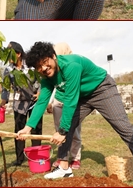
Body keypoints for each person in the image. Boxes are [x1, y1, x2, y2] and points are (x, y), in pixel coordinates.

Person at [16, 42, 133, 187]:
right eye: (39, 67)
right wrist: (28, 127)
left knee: (123, 126)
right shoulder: (46, 76)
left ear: (53, 56)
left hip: (102, 89)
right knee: (66, 125)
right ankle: (64, 168)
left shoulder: (71, 66)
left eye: (45, 61)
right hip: (82, 97)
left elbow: (70, 100)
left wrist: (62, 131)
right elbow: (42, 101)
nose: (43, 67)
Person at [3, 41, 42, 167]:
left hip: (34, 101)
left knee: (36, 129)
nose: (8, 57)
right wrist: (2, 102)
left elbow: (41, 78)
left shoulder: (31, 65)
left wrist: (40, 92)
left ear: (18, 54)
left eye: (10, 54)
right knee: (19, 131)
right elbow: (5, 88)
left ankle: (36, 156)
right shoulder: (8, 70)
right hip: (19, 103)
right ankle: (19, 159)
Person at [48, 42, 83, 170]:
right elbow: (54, 86)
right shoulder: (54, 69)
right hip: (58, 100)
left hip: (72, 100)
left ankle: (75, 158)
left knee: (74, 131)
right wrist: (51, 102)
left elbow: (73, 89)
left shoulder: (71, 66)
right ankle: (62, 157)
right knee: (59, 130)